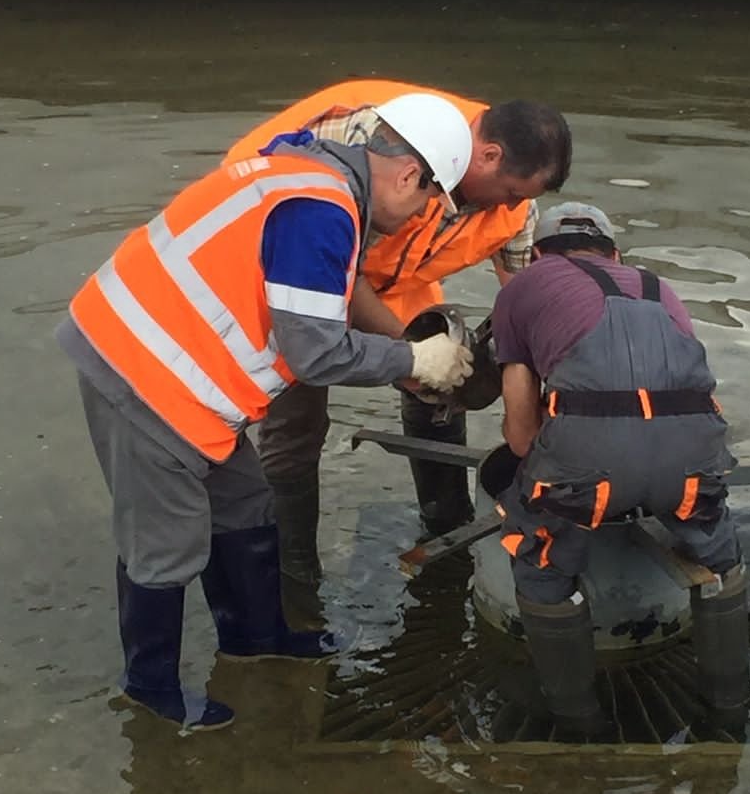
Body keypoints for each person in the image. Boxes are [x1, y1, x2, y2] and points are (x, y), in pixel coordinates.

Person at [58, 94, 476, 730]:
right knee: (164, 546)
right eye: (424, 203)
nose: (417, 218)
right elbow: (315, 352)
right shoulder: (320, 207)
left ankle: (255, 640)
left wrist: (402, 356)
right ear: (409, 175)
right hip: (140, 371)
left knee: (246, 502)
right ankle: (149, 689)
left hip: (176, 367)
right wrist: (415, 362)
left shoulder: (310, 175)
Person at [224, 78, 572, 607]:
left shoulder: (510, 208)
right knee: (296, 422)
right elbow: (343, 267)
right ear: (488, 155)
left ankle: (445, 524)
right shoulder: (392, 143)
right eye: (512, 193)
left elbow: (531, 307)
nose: (513, 208)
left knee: (445, 376)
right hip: (286, 256)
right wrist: (410, 356)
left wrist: (562, 397)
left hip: (391, 272)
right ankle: (295, 580)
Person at [490, 202, 750, 741]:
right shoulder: (659, 288)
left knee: (539, 561)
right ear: (615, 254)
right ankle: (729, 715)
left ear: (537, 255)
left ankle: (580, 724)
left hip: (590, 465)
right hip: (692, 457)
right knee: (719, 556)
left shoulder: (521, 287)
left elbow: (519, 435)